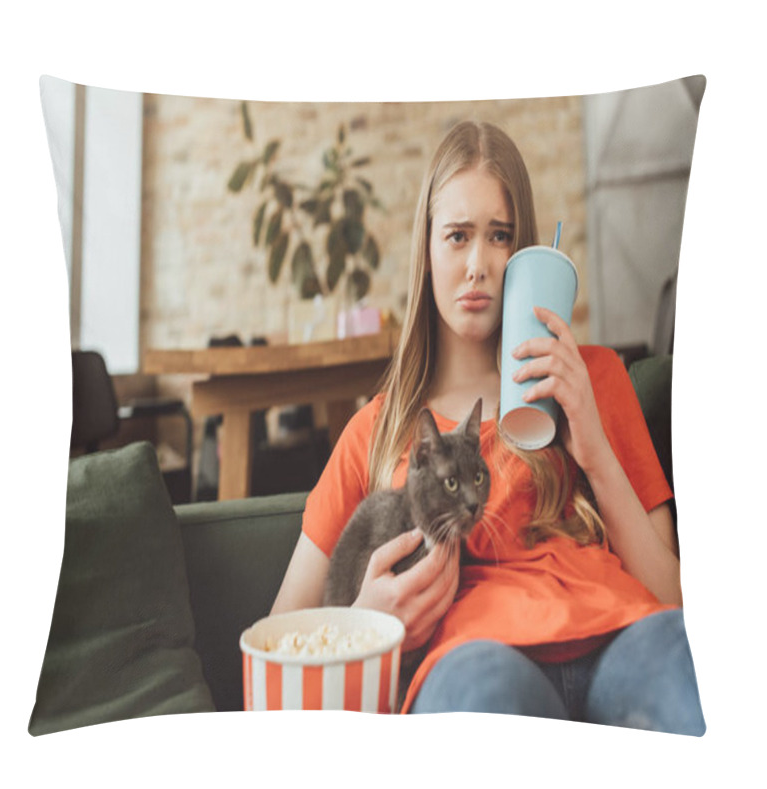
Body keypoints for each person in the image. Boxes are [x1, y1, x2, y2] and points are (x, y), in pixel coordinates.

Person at [270, 120, 705, 735]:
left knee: (694, 688)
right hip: (472, 661)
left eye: (499, 237)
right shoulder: (379, 428)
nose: (478, 264)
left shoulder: (592, 377)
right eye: (457, 236)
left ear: (523, 251)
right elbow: (277, 645)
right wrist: (366, 620)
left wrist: (596, 450)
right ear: (427, 250)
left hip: (625, 634)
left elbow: (674, 598)